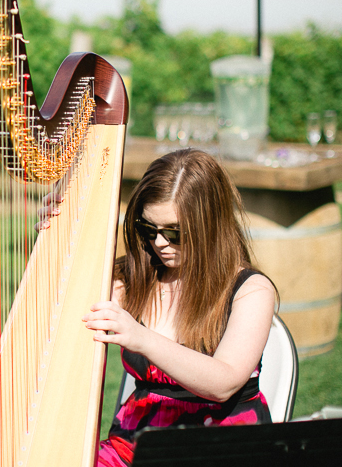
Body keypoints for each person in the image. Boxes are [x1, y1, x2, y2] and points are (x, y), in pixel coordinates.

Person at [47, 148, 278, 467]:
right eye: (148, 229)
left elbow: (224, 384)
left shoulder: (250, 290)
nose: (159, 244)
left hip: (222, 447)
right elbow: (60, 312)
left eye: (174, 233)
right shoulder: (130, 280)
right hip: (136, 445)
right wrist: (56, 235)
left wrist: (140, 337)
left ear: (210, 226)